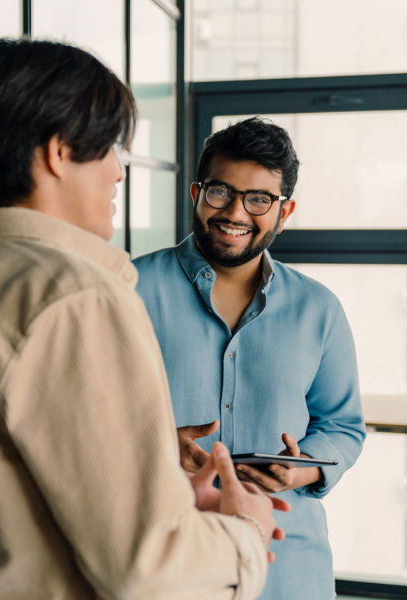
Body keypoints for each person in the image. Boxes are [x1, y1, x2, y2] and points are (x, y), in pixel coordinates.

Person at [0, 39, 288, 599]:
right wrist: (243, 529)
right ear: (58, 153)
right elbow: (147, 571)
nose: (118, 173)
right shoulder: (78, 296)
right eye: (107, 148)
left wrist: (167, 495)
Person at [132, 117, 366, 600]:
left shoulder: (319, 309)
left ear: (285, 210)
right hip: (164, 560)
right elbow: (84, 416)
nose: (236, 211)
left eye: (259, 198)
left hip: (289, 566)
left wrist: (302, 469)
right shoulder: (127, 290)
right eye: (220, 191)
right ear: (196, 193)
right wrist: (150, 446)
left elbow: (342, 427)